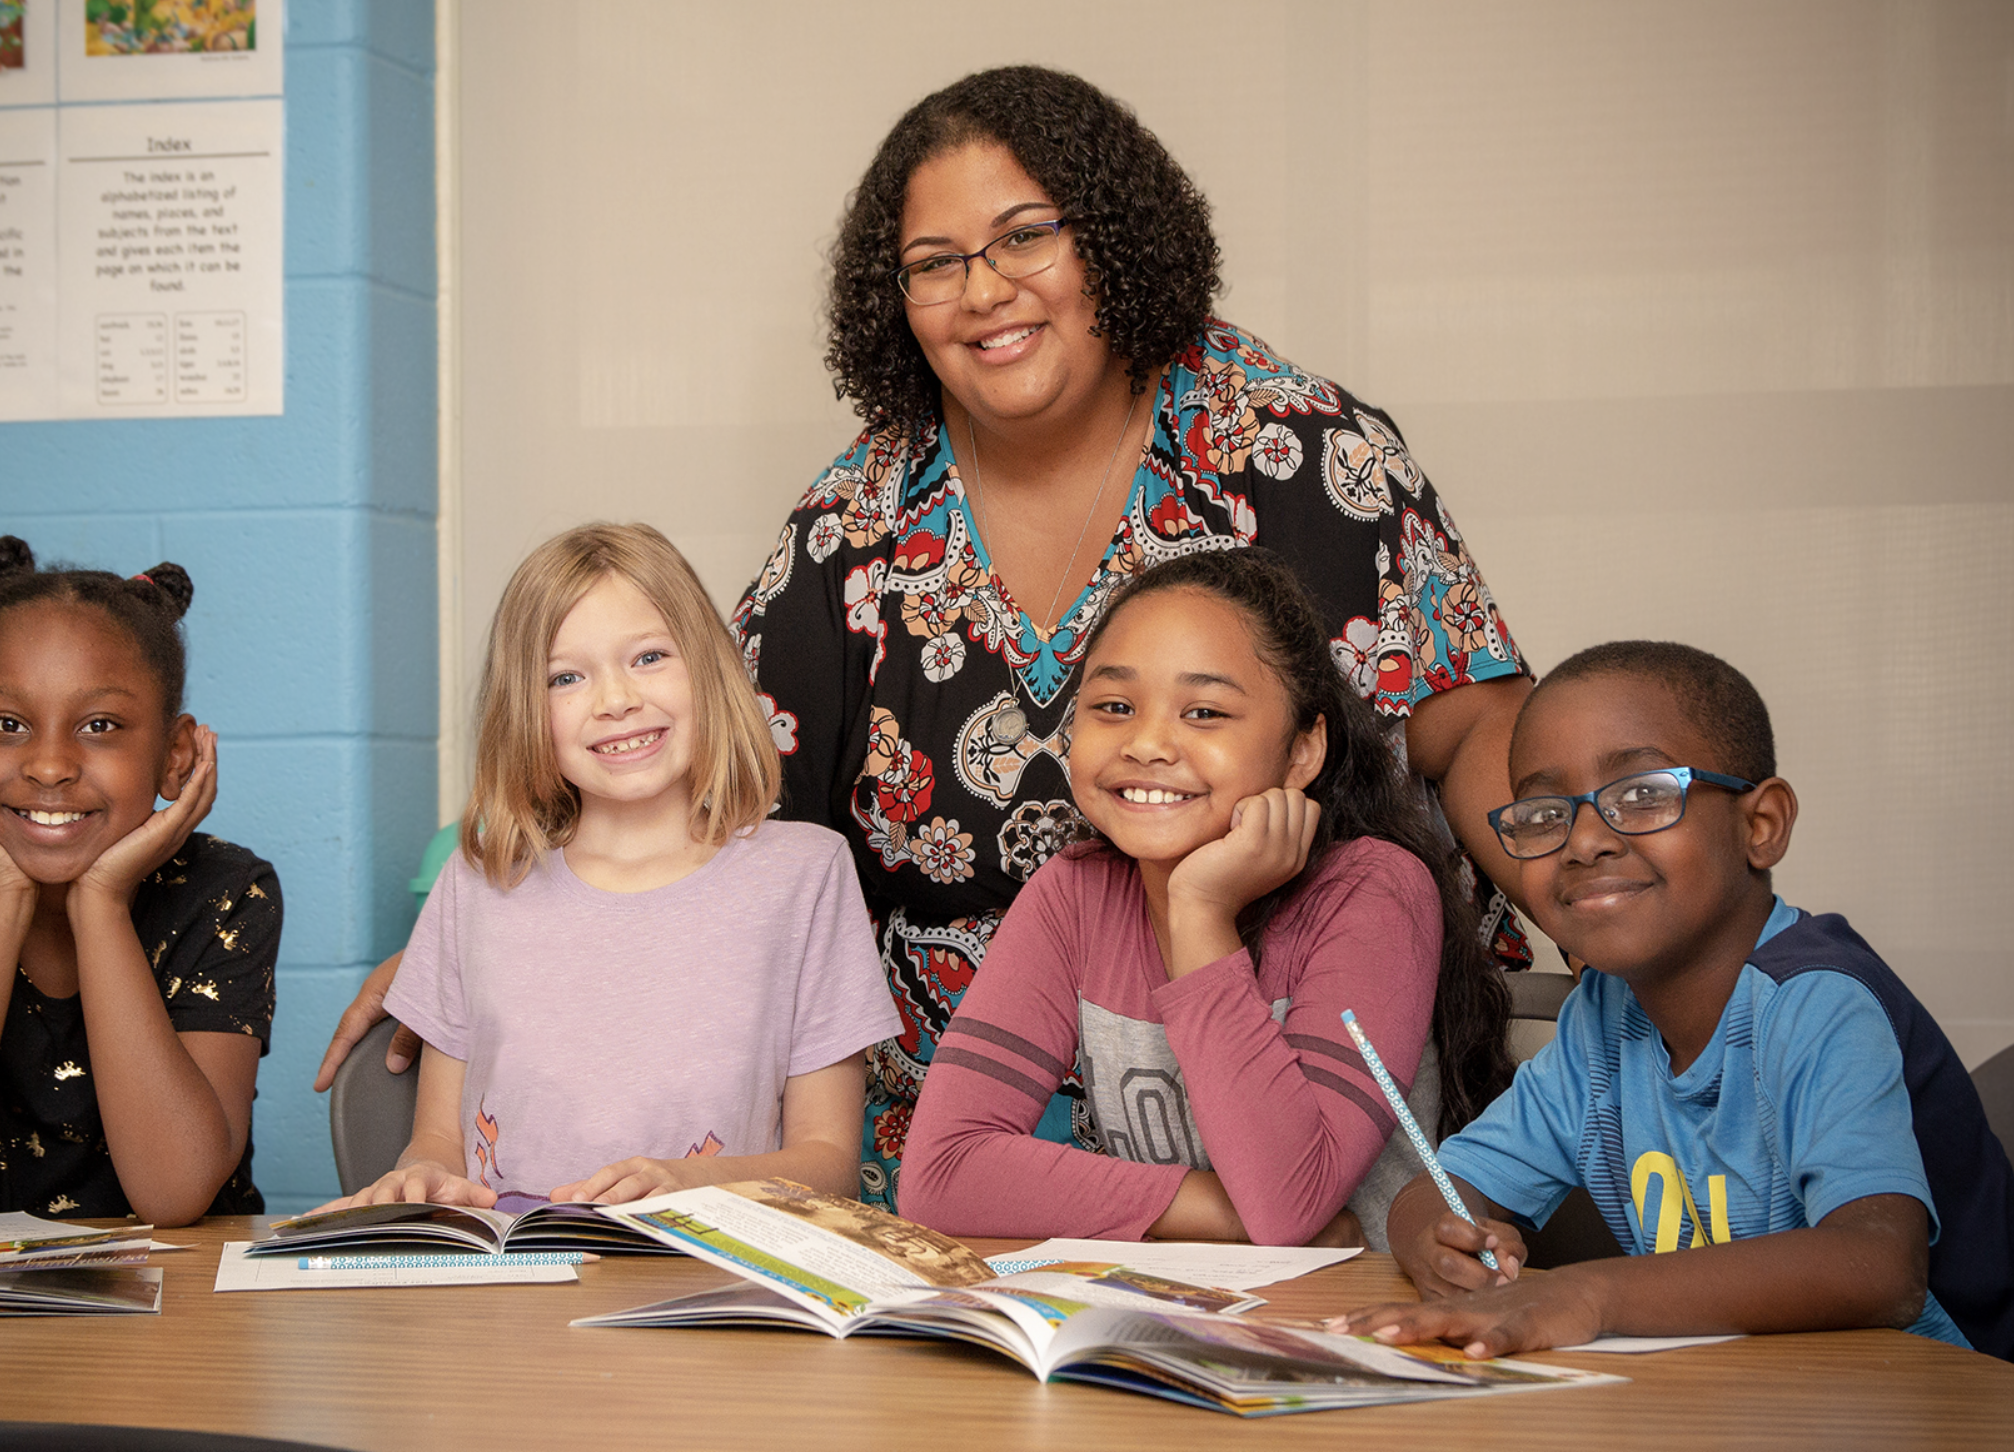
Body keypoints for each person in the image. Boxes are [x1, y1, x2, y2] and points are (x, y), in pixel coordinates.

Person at [318, 65, 1534, 1209]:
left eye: (1025, 235)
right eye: (934, 263)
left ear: (1114, 239)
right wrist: (484, 941)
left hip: (1272, 1100)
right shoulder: (856, 523)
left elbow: (1476, 722)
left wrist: (1599, 899)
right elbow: (697, 769)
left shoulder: (1294, 448)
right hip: (955, 1149)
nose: (983, 290)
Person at [1332, 642, 2014, 1359]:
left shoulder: (1817, 1002)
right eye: (1543, 814)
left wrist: (1589, 1294)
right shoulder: (1601, 1019)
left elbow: (1879, 1269)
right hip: (1757, 1391)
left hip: (1943, 1396)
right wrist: (1437, 1239)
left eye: (1643, 796)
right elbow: (1446, 1186)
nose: (1583, 841)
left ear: (1760, 825)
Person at [899, 550, 1512, 1248]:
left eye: (1205, 712)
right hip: (1184, 1300)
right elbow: (939, 1175)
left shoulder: (1374, 892)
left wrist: (1199, 911)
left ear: (1303, 751)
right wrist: (1221, 1215)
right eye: (1115, 707)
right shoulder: (1072, 894)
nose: (1148, 743)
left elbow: (1290, 1204)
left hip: (1355, 1305)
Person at [319, 525, 898, 1212]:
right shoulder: (475, 883)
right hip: (512, 1269)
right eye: (566, 677)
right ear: (524, 709)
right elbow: (437, 1142)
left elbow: (829, 1165)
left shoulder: (806, 875)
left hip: (702, 1262)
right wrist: (420, 1175)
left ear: (708, 668)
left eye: (649, 657)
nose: (616, 699)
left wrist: (687, 1183)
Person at [0, 536, 276, 1229]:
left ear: (175, 755)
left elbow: (173, 1193)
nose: (49, 766)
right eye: (7, 724)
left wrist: (100, 903)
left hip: (180, 1290)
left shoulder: (224, 891)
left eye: (99, 725)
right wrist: (0, 899)